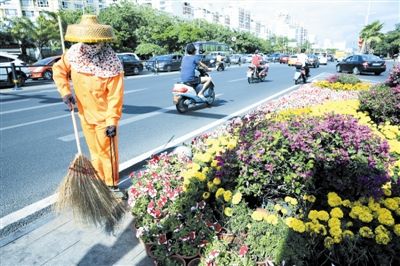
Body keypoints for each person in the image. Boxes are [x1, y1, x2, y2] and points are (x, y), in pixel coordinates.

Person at [52, 14, 125, 198]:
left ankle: (112, 185)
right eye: (88, 41)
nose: (91, 45)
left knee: (108, 152)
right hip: (85, 115)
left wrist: (112, 121)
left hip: (104, 118)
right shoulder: (74, 54)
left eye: (94, 42)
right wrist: (65, 92)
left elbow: (115, 95)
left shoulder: (112, 63)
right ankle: (100, 183)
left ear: (102, 41)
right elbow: (58, 70)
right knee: (94, 153)